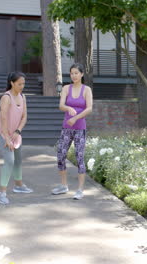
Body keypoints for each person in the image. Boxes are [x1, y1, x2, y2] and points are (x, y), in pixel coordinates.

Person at [52, 63, 93, 199]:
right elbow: (61, 105)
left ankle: (80, 190)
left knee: (79, 157)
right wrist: (68, 109)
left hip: (80, 128)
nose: (74, 75)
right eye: (72, 73)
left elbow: (89, 108)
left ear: (81, 74)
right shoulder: (66, 88)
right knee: (60, 155)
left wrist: (75, 118)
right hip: (66, 128)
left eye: (76, 73)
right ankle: (64, 186)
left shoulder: (86, 89)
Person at [0, 72, 33, 205]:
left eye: (23, 84)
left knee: (18, 160)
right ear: (12, 83)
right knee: (9, 161)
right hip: (4, 133)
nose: (22, 86)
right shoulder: (6, 97)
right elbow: (3, 118)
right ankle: (1, 193)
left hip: (16, 133)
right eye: (19, 84)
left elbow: (24, 117)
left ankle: (18, 185)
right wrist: (7, 138)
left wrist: (18, 131)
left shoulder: (23, 97)